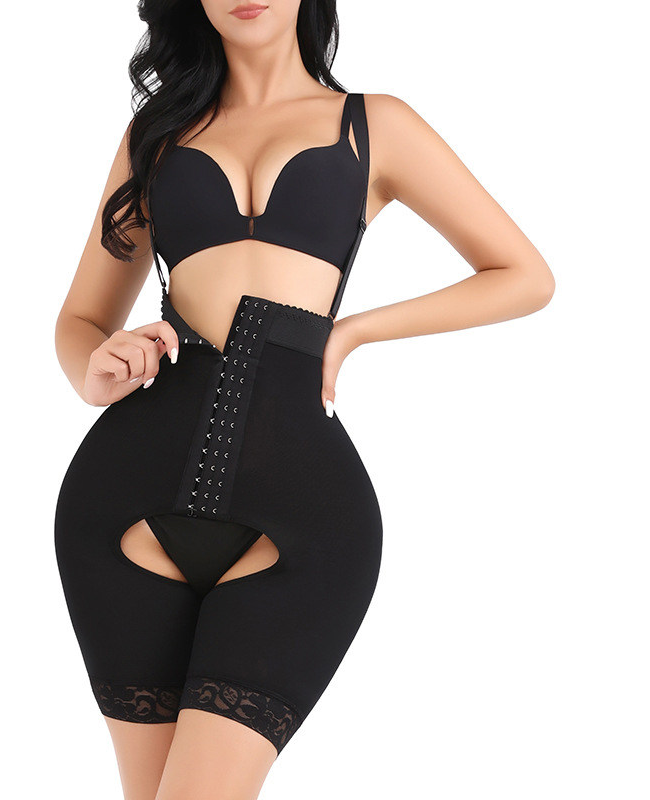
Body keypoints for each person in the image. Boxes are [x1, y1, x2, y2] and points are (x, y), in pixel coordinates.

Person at [54, 1, 555, 798]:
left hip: (304, 512)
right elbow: (81, 319)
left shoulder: (374, 126)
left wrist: (352, 331)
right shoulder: (156, 135)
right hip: (124, 504)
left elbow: (524, 276)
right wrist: (92, 368)